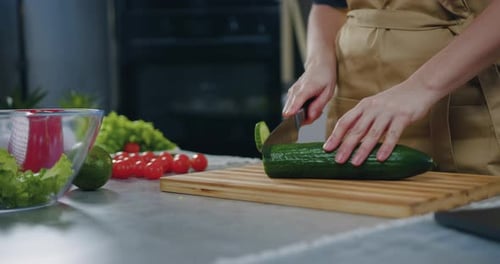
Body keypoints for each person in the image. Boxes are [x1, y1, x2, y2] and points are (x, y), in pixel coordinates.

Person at [282, 0, 500, 175]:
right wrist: (318, 63)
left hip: (462, 105)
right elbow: (328, 4)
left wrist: (422, 87)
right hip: (353, 98)